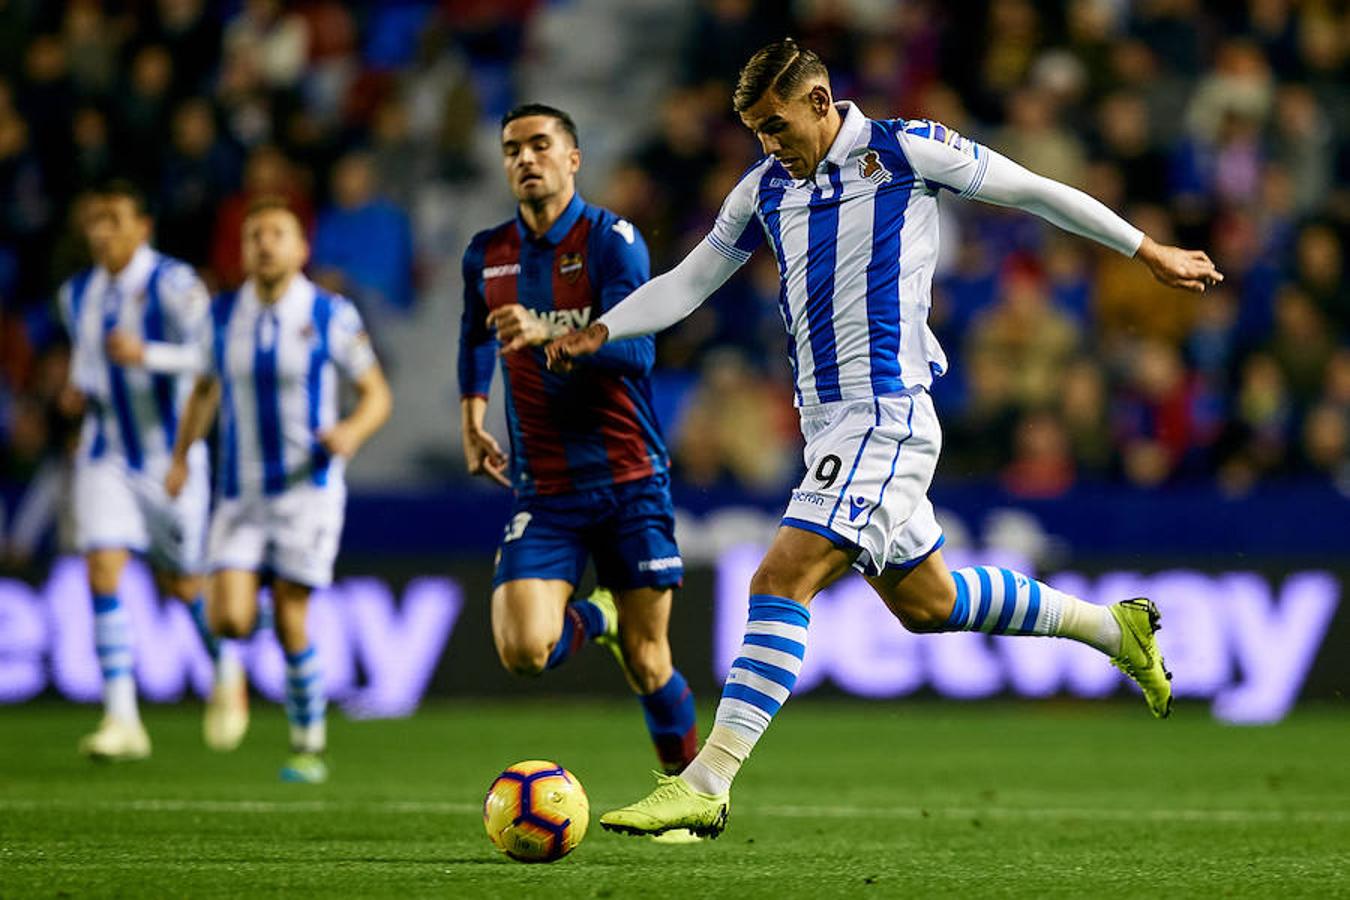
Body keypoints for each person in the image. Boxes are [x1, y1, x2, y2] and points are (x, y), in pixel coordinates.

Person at [547, 39, 1225, 838]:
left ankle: (707, 781)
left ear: (821, 100)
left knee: (779, 580)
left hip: (886, 416)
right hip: (828, 425)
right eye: (756, 131)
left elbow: (1035, 191)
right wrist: (601, 332)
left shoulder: (906, 150)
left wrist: (1146, 250)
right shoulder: (765, 189)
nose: (769, 143)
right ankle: (1115, 629)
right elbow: (688, 283)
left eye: (776, 125)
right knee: (929, 604)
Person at [459, 104, 699, 784]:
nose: (525, 159)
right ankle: (600, 617)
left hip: (629, 478)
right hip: (546, 487)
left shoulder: (612, 242)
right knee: (523, 650)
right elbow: (474, 336)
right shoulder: (488, 252)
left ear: (572, 158)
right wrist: (472, 415)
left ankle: (685, 799)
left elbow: (641, 353)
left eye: (540, 145)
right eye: (512, 149)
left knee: (652, 660)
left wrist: (553, 335)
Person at [167, 197, 392, 783]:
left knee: (293, 615)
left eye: (277, 233)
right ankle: (233, 677)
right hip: (239, 492)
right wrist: (180, 458)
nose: (265, 244)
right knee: (230, 620)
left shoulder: (329, 314)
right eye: (254, 235)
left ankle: (307, 745)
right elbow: (203, 391)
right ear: (242, 250)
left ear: (300, 248)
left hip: (307, 490)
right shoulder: (218, 317)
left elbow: (377, 395)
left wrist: (349, 431)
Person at [58, 179, 248, 760]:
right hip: (106, 451)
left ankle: (227, 669)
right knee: (103, 568)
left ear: (142, 228)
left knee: (184, 581)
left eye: (113, 219)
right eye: (95, 220)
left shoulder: (174, 283)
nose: (101, 232)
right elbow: (89, 370)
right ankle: (122, 718)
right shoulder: (76, 293)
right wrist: (76, 393)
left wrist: (149, 356)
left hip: (173, 454)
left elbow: (214, 360)